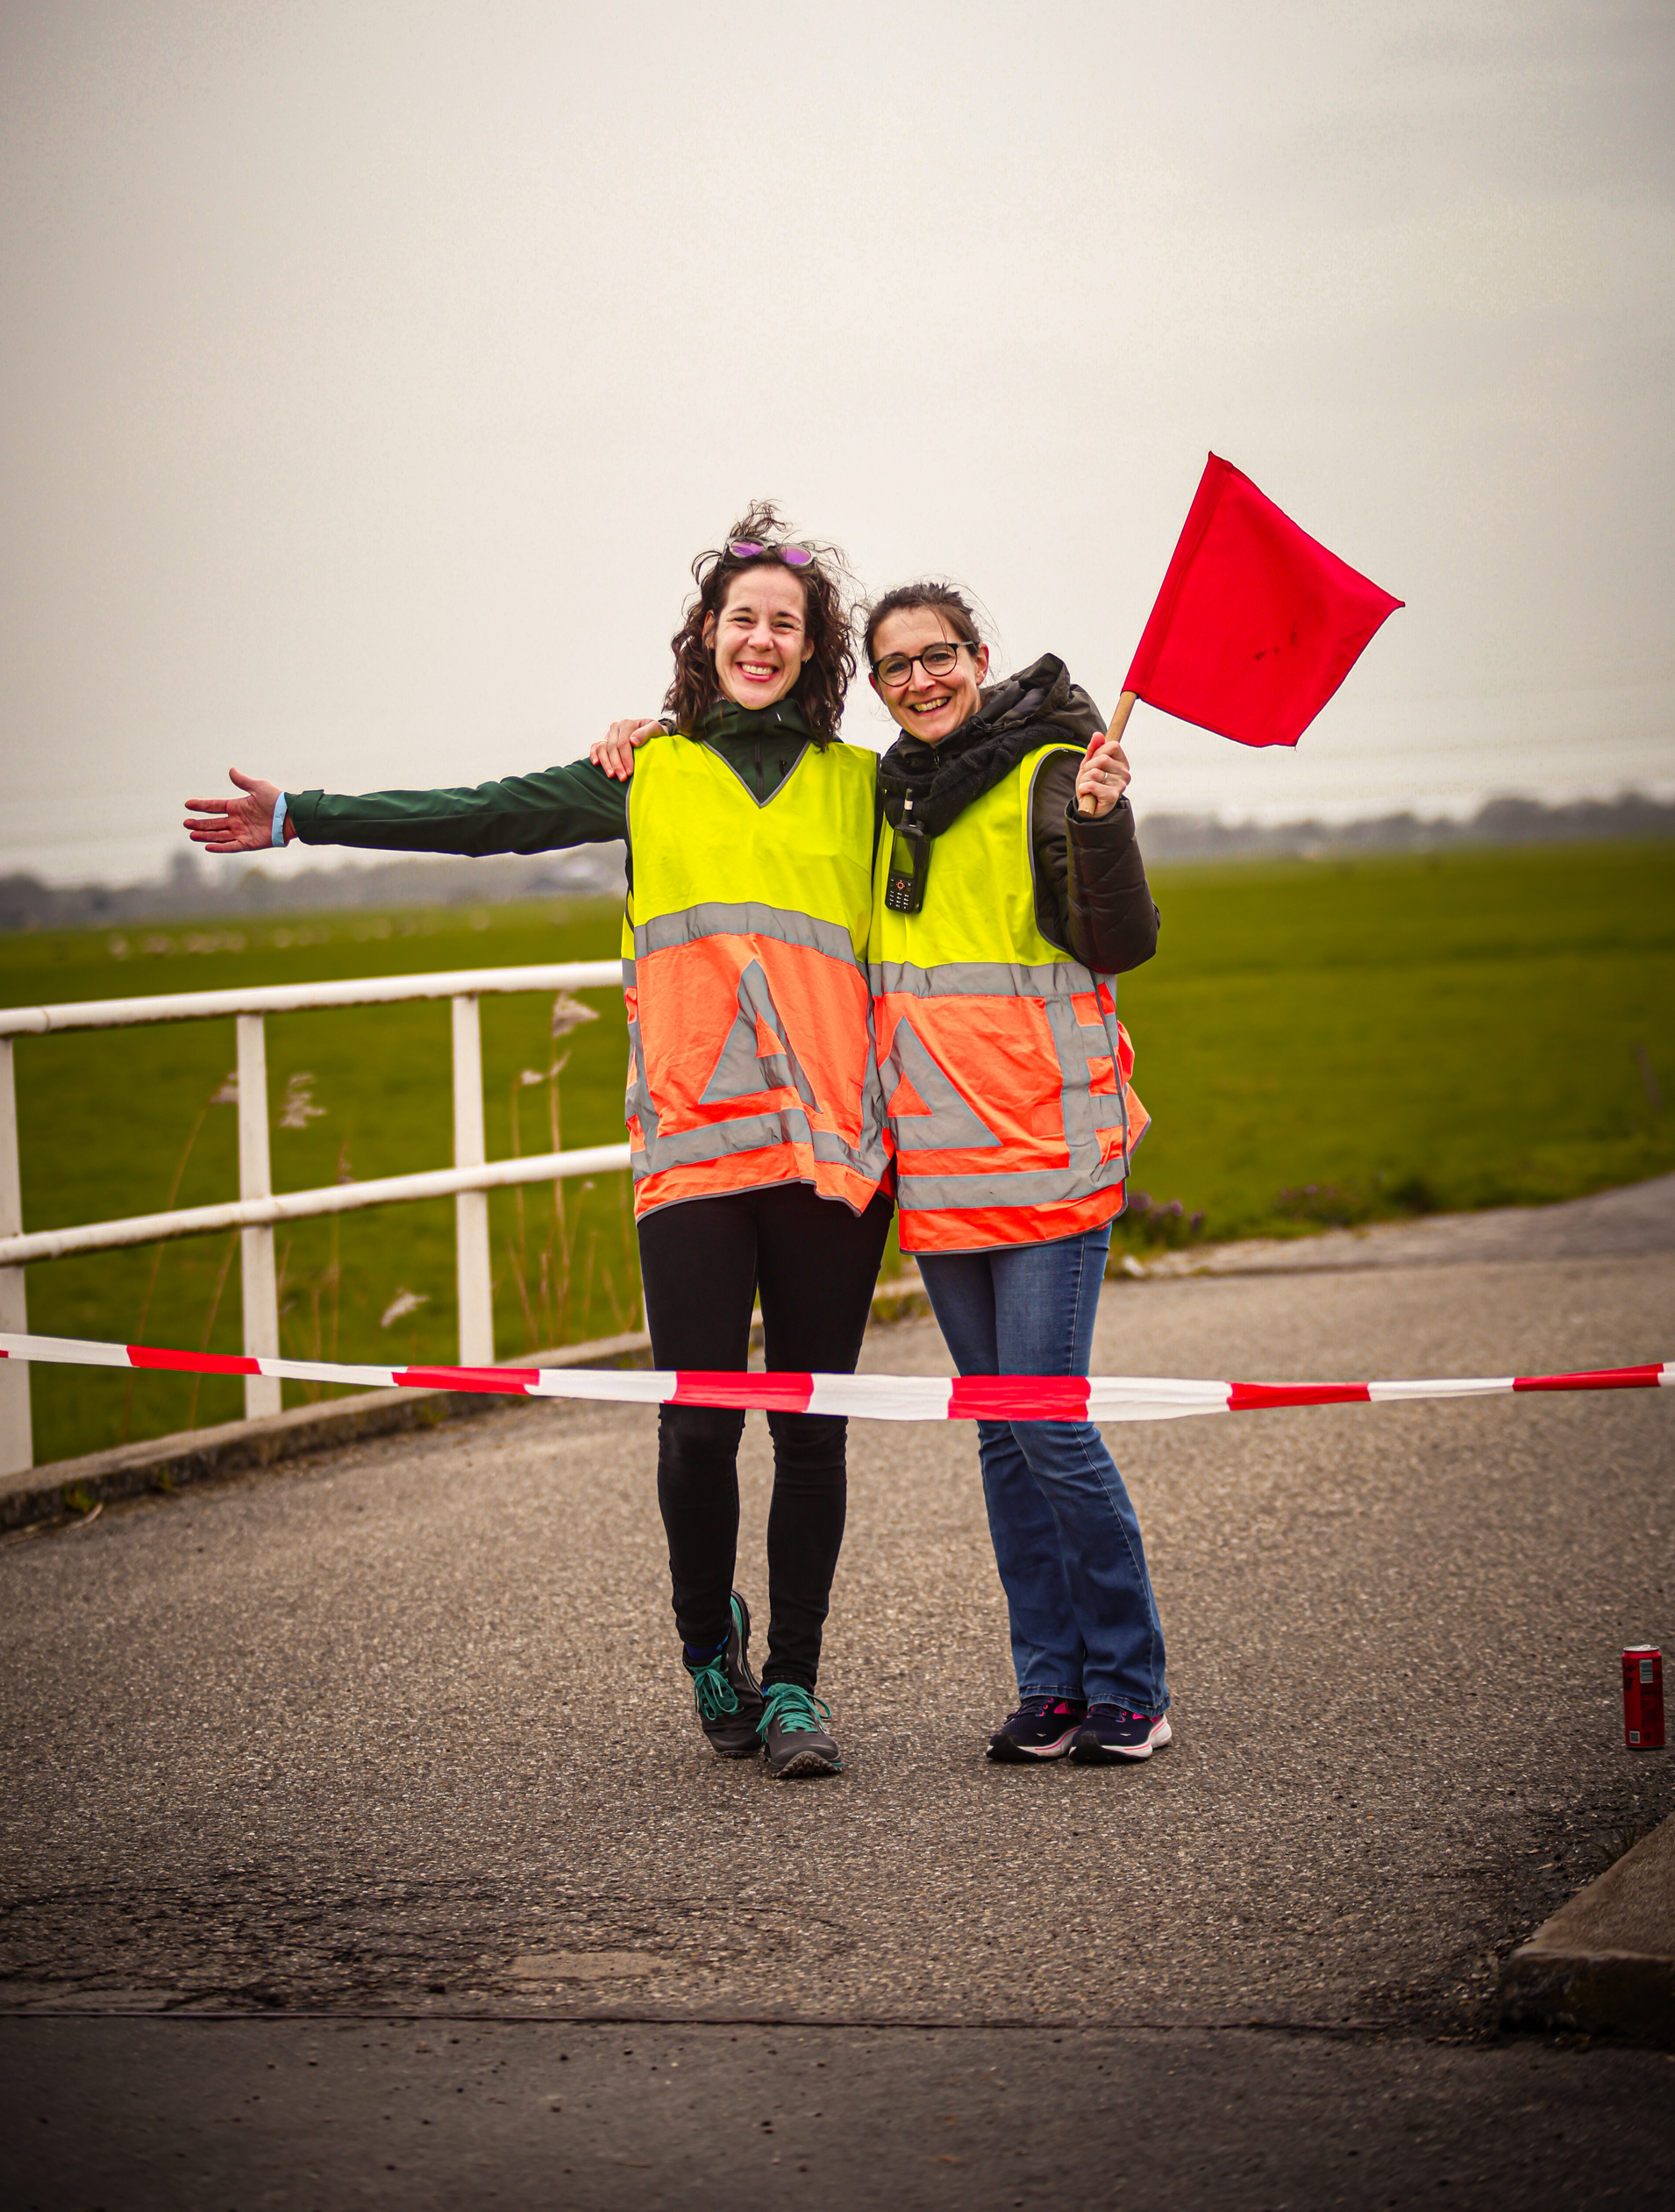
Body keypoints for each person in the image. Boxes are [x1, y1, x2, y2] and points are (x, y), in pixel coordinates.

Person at [184, 505, 892, 1780]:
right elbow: (483, 813)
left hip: (836, 1158)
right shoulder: (647, 774)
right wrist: (303, 816)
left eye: (786, 624)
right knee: (697, 1426)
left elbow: (989, 814)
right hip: (692, 1150)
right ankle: (704, 1646)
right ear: (708, 636)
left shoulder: (868, 788)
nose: (762, 639)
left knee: (814, 1430)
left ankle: (795, 1687)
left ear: (814, 648)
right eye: (743, 618)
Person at [863, 581, 1171, 1766]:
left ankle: (1130, 1681)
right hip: (942, 1172)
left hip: (1048, 1155)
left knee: (1047, 1426)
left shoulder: (1055, 771)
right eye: (896, 667)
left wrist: (1100, 822)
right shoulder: (894, 801)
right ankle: (1050, 1684)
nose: (920, 680)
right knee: (1001, 1436)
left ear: (980, 658)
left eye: (938, 657)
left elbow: (1121, 939)